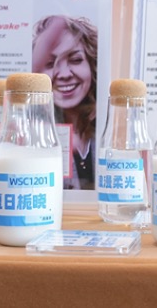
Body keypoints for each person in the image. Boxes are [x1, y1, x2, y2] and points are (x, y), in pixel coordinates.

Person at [32, 15, 98, 190]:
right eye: (50, 63)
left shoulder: (108, 129)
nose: (64, 74)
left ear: (92, 64)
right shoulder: (31, 135)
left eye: (75, 60)